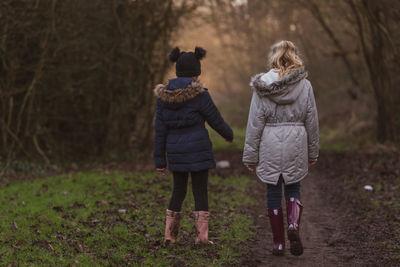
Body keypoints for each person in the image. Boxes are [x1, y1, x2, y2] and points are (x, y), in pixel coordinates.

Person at [243, 40, 319, 256]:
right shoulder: (305, 85)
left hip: (270, 141)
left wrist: (251, 156)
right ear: (295, 56)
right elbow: (312, 121)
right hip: (296, 140)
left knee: (273, 188)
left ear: (274, 57)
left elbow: (255, 122)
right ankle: (293, 226)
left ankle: (278, 243)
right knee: (293, 187)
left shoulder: (262, 85)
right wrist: (313, 152)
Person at [153, 46, 233, 245]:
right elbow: (215, 119)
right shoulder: (200, 94)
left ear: (177, 70)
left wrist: (160, 160)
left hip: (176, 152)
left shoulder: (164, 98)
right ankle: (202, 237)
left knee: (178, 191)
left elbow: (159, 131)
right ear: (197, 72)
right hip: (198, 150)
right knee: (200, 191)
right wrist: (228, 135)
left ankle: (170, 236)